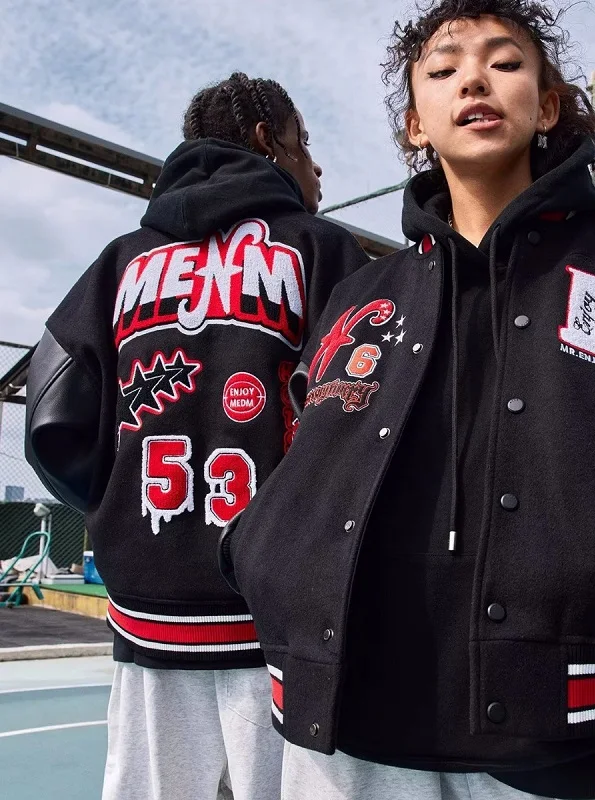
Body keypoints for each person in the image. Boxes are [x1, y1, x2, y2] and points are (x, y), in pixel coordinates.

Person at [221, 3, 595, 799]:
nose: (474, 81)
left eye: (505, 62)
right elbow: (295, 466)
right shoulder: (358, 299)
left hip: (579, 735)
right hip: (347, 737)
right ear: (415, 123)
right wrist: (261, 546)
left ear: (547, 105)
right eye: (444, 69)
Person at [25, 71, 369, 800]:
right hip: (282, 618)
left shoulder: (119, 262)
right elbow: (376, 418)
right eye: (304, 143)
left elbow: (51, 417)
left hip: (150, 616)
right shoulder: (324, 251)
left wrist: (120, 508)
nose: (316, 166)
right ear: (266, 142)